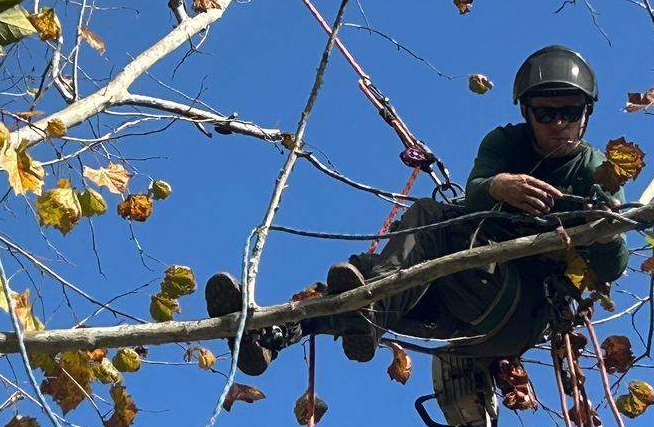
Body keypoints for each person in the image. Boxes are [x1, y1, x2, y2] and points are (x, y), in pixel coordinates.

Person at [206, 45, 631, 376]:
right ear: (527, 112)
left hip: (513, 309)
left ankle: (371, 307)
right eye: (546, 112)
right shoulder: (505, 145)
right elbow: (477, 190)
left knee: (428, 219)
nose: (559, 123)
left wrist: (606, 233)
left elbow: (612, 267)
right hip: (453, 306)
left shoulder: (594, 171)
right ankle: (270, 335)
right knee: (369, 275)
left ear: (586, 113)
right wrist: (498, 187)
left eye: (570, 112)